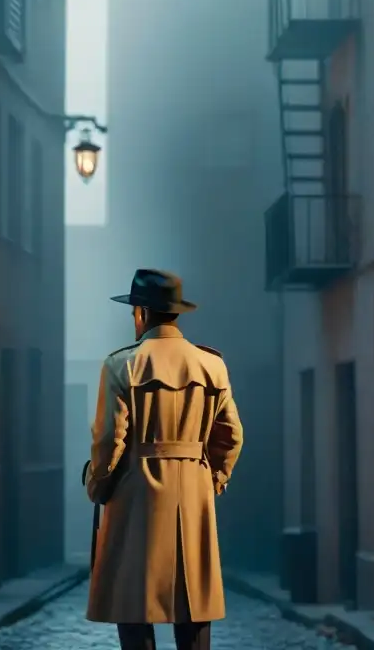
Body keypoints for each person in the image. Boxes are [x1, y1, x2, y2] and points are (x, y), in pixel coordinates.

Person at [84, 268, 244, 650]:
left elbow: (109, 441)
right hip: (194, 494)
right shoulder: (212, 365)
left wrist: (97, 484)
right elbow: (231, 435)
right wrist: (213, 480)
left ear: (140, 313)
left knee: (134, 607)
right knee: (193, 608)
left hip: (135, 495)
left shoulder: (121, 365)